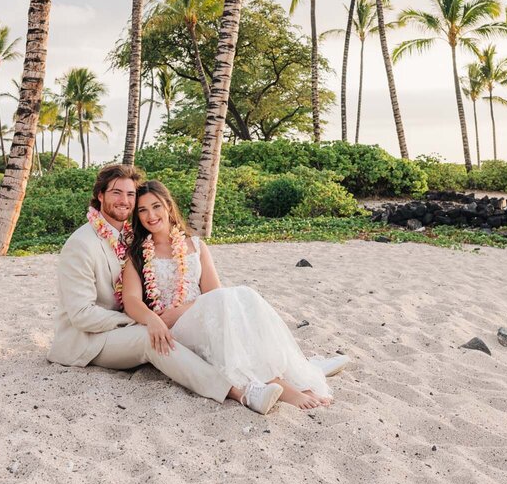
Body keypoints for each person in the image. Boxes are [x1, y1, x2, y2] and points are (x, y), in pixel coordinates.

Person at [47, 164, 282, 414]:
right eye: (116, 193)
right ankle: (239, 392)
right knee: (151, 338)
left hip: (125, 326)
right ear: (100, 196)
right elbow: (81, 315)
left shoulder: (129, 235)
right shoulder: (81, 245)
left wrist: (158, 316)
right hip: (88, 340)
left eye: (130, 194)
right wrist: (145, 320)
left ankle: (281, 372)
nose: (124, 201)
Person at [121, 180, 348, 411]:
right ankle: (280, 385)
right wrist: (154, 319)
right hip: (174, 329)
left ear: (168, 206)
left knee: (243, 296)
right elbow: (131, 300)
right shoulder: (138, 255)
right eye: (142, 210)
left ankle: (285, 379)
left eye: (156, 206)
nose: (151, 215)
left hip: (200, 313)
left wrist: (182, 310)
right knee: (231, 305)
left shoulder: (195, 245)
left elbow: (215, 294)